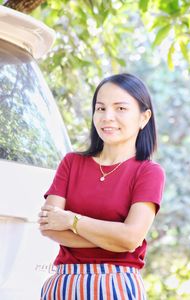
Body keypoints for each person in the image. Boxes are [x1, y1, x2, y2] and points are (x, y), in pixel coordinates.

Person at [38, 73, 165, 300]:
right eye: (100, 108)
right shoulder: (71, 162)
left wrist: (70, 220)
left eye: (120, 108)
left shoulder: (148, 172)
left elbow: (130, 238)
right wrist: (113, 239)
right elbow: (49, 226)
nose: (108, 117)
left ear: (144, 118)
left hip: (117, 286)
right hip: (63, 285)